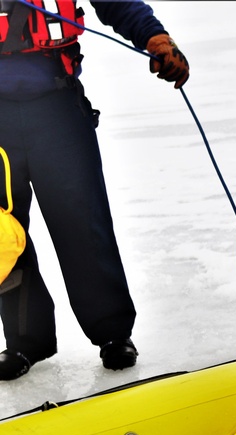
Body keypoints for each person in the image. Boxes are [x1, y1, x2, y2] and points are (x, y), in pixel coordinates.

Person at [0, 0, 190, 380]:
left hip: (57, 106)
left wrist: (155, 37)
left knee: (83, 222)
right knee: (3, 234)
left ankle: (113, 334)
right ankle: (25, 340)